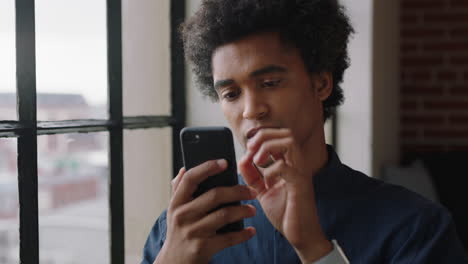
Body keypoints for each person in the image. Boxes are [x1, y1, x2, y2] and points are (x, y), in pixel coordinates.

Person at [142, 0, 468, 263]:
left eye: (269, 83)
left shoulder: (415, 228)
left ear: (321, 83)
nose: (251, 109)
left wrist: (315, 249)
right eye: (231, 94)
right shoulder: (183, 227)